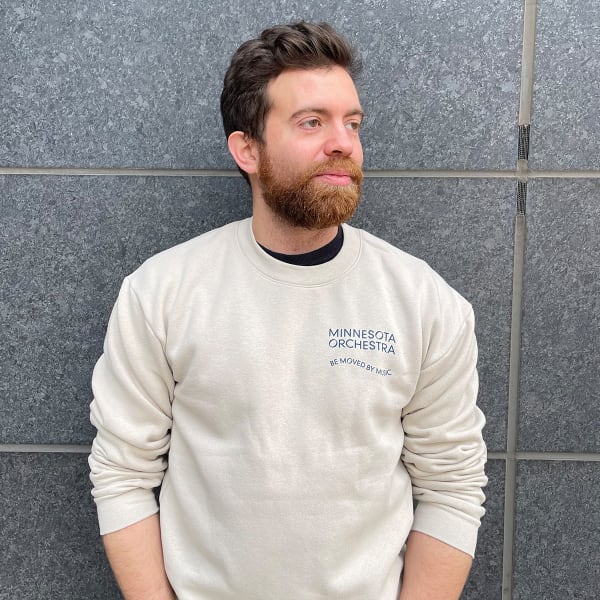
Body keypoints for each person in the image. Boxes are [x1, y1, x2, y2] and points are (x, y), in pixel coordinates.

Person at [89, 21, 487, 600]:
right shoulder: (164, 292)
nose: (342, 142)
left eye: (352, 123)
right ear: (246, 148)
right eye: (311, 122)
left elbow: (451, 485)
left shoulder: (424, 302)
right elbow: (122, 471)